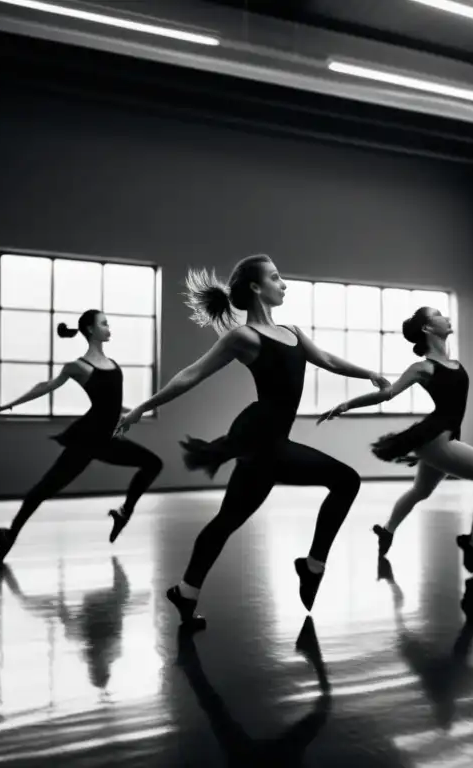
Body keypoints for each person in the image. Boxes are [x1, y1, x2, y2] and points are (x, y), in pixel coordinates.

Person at [116, 254, 387, 626]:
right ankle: (312, 566)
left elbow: (327, 359)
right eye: (276, 278)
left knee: (227, 519)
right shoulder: (243, 337)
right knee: (347, 480)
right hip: (263, 440)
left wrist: (369, 373)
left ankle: (186, 591)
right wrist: (141, 408)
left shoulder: (292, 332)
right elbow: (191, 375)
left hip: (265, 444)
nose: (284, 284)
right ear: (256, 287)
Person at [317, 306, 473, 573]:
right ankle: (472, 543)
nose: (447, 317)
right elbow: (387, 394)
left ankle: (387, 530)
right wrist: (346, 405)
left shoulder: (454, 363)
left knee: (421, 491)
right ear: (428, 328)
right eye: (439, 315)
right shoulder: (423, 367)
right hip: (438, 440)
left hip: (439, 437)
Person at [0, 310, 163, 563]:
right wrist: (8, 406)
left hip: (107, 440)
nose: (108, 327)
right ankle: (10, 534)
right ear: (90, 330)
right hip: (87, 439)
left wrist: (135, 411)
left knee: (153, 463)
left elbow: (111, 404)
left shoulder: (113, 364)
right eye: (104, 324)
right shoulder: (78, 367)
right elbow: (46, 386)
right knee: (44, 489)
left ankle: (123, 513)